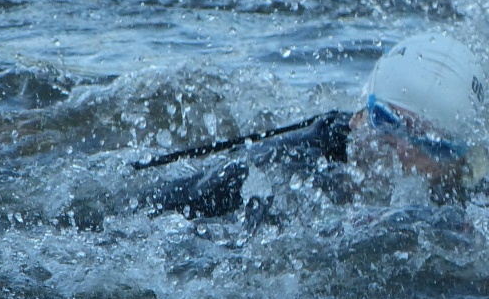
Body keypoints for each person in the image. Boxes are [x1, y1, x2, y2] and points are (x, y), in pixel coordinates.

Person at [60, 31, 487, 230]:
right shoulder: (285, 170)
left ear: (459, 155)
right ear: (362, 115)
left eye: (428, 143)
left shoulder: (472, 183)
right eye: (389, 124)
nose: (399, 151)